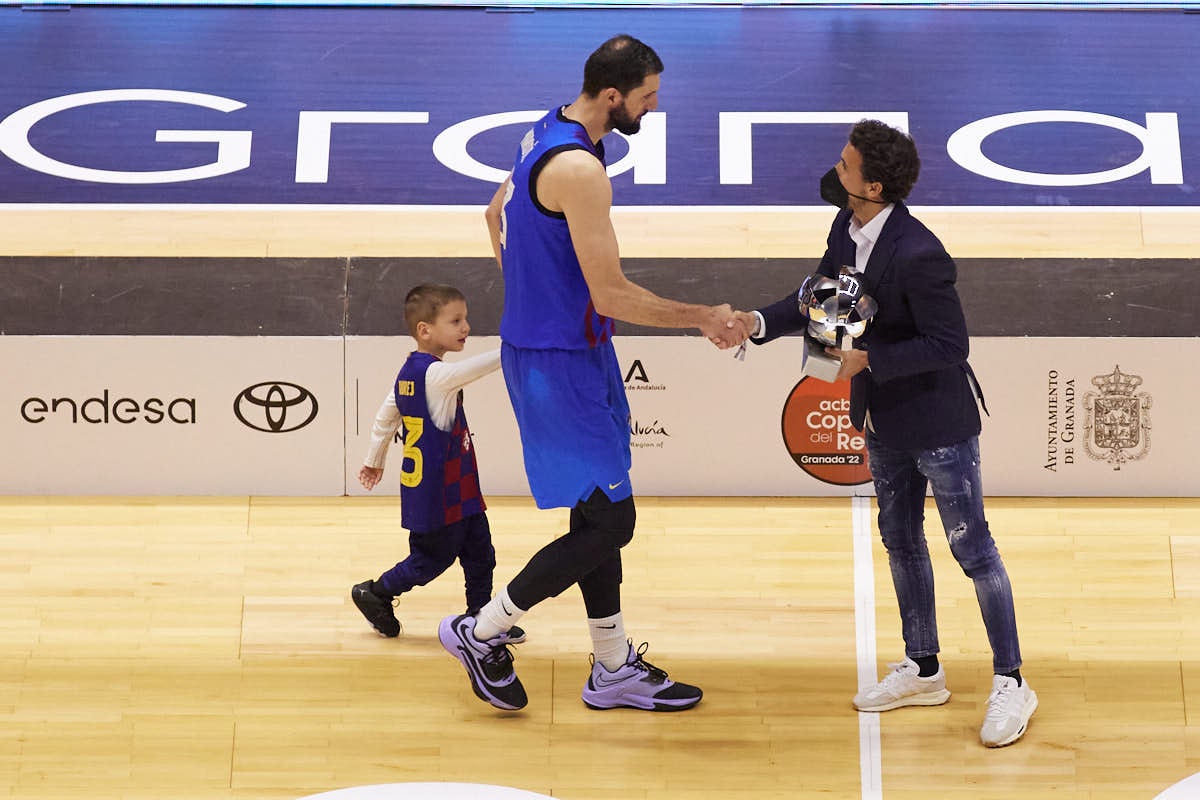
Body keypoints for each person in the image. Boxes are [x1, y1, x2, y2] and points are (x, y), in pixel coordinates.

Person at [437, 34, 747, 712]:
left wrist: (536, 297)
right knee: (613, 523)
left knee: (597, 514)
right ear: (614, 96)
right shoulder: (580, 170)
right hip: (559, 366)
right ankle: (481, 630)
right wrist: (701, 317)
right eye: (648, 98)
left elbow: (494, 215)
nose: (654, 108)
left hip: (561, 349)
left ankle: (612, 667)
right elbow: (611, 294)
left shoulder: (545, 130)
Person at [738, 119, 1037, 747]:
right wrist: (754, 324)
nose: (835, 170)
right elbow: (820, 300)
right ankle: (924, 668)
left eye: (845, 165)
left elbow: (950, 344)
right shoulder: (845, 228)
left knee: (972, 550)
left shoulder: (921, 253)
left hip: (938, 425)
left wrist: (869, 359)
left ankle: (1012, 681)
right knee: (900, 541)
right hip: (882, 422)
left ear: (872, 185)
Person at [351, 283, 523, 646]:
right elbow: (478, 368)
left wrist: (373, 460)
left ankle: (481, 621)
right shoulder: (436, 376)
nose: (466, 328)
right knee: (429, 562)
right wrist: (518, 345)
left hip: (455, 488)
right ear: (424, 330)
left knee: (481, 554)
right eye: (456, 320)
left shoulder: (410, 374)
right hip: (438, 493)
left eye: (466, 319)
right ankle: (376, 592)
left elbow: (385, 420)